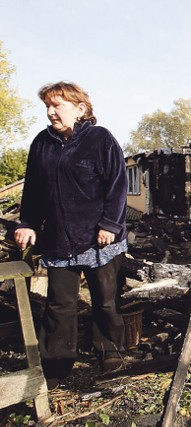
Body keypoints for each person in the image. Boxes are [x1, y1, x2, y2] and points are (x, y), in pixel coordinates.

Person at [14, 81, 128, 387]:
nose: (51, 112)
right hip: (59, 240)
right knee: (59, 304)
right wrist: (27, 223)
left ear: (80, 109)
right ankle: (56, 364)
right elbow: (34, 191)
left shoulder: (100, 139)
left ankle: (110, 352)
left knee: (105, 300)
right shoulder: (41, 143)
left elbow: (118, 186)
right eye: (48, 106)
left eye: (57, 105)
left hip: (99, 239)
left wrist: (110, 225)